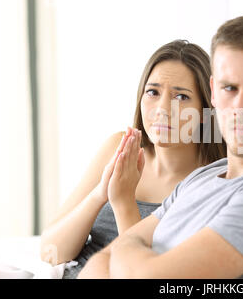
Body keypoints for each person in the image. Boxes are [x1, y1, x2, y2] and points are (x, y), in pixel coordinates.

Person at [78, 14, 243, 279]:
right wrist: (128, 252)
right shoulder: (205, 176)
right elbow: (102, 260)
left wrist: (129, 250)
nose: (240, 107)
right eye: (229, 88)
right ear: (213, 92)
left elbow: (148, 276)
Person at [40, 40, 226, 279]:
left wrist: (123, 201)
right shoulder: (118, 147)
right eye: (153, 92)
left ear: (205, 110)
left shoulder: (213, 181)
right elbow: (51, 252)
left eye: (181, 97)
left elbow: (151, 275)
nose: (162, 108)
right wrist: (100, 194)